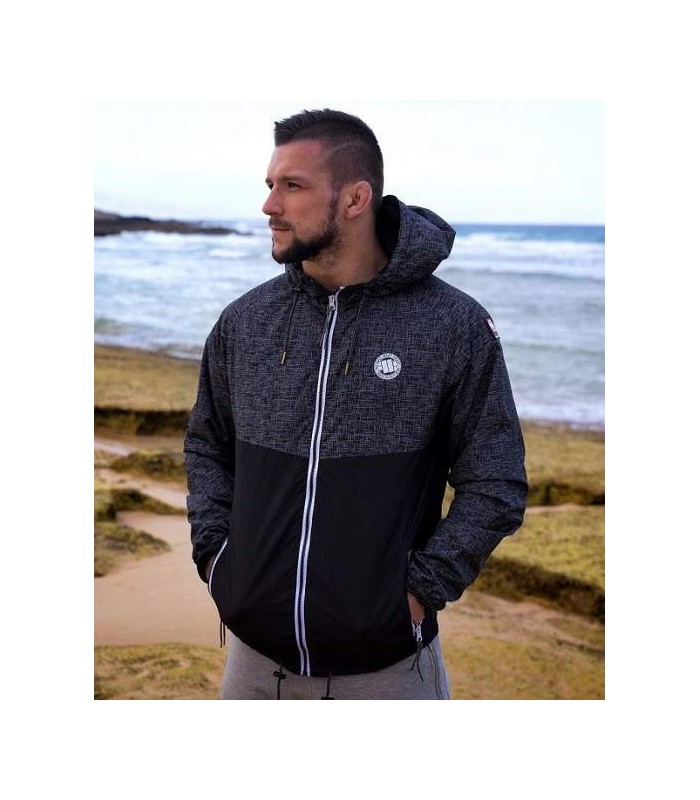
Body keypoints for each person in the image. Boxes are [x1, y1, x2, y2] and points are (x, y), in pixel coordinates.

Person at [184, 108, 528, 700]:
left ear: (354, 198)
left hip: (388, 668)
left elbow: (495, 480)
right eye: (270, 184)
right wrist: (218, 560)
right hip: (253, 663)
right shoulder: (246, 322)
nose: (270, 205)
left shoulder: (452, 326)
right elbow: (206, 446)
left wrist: (416, 594)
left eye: (293, 186)